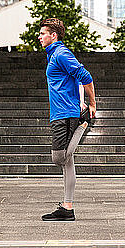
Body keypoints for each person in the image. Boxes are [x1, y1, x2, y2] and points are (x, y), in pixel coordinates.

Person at [38, 18, 96, 221]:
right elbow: (75, 79)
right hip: (59, 113)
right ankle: (67, 207)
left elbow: (85, 76)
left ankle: (83, 125)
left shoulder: (61, 54)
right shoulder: (54, 55)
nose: (39, 36)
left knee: (59, 158)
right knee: (67, 161)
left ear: (53, 36)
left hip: (66, 115)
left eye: (43, 33)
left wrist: (92, 104)